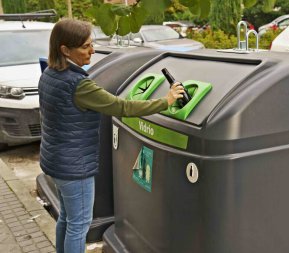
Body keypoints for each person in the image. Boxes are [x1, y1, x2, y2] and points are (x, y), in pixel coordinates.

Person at [38, 19, 184, 253]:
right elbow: (122, 107)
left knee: (67, 218)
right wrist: (165, 102)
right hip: (75, 167)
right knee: (79, 225)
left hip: (55, 160)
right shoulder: (79, 84)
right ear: (65, 49)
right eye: (85, 46)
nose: (92, 51)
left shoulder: (51, 74)